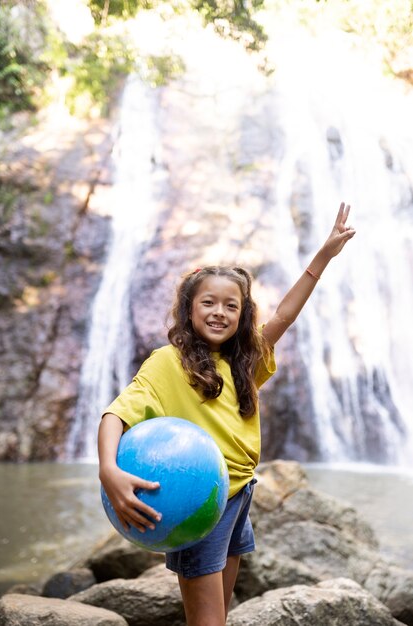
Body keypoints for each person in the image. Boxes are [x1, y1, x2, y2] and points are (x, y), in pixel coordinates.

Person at [98, 202, 356, 626]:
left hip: (237, 495)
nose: (220, 312)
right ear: (189, 308)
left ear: (242, 314)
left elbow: (285, 316)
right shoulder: (169, 362)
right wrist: (109, 469)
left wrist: (323, 257)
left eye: (231, 306)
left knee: (219, 607)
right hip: (196, 503)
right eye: (209, 303)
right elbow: (116, 415)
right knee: (208, 620)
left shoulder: (244, 363)